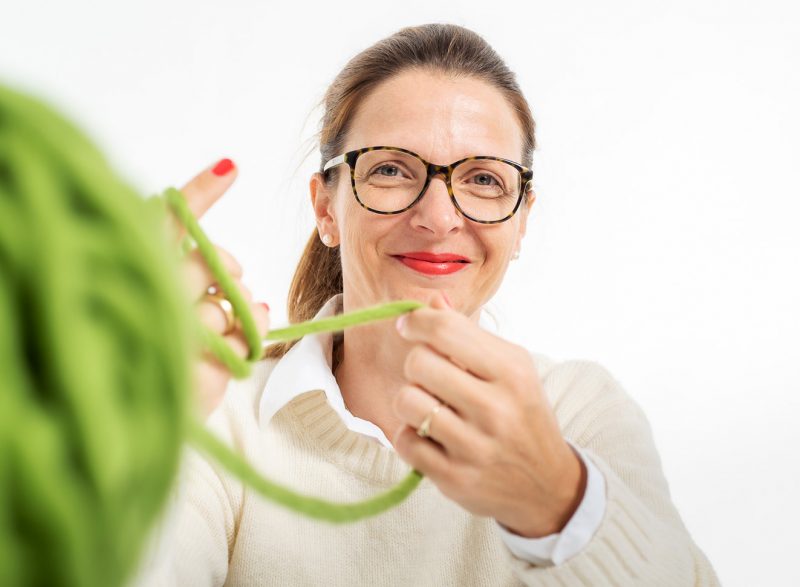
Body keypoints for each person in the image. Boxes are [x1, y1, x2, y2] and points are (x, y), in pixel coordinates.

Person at [133, 23, 719, 586]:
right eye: (391, 169)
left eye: (484, 180)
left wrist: (559, 503)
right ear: (327, 209)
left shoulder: (580, 412)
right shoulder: (215, 415)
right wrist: (111, 435)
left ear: (521, 223)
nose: (438, 218)